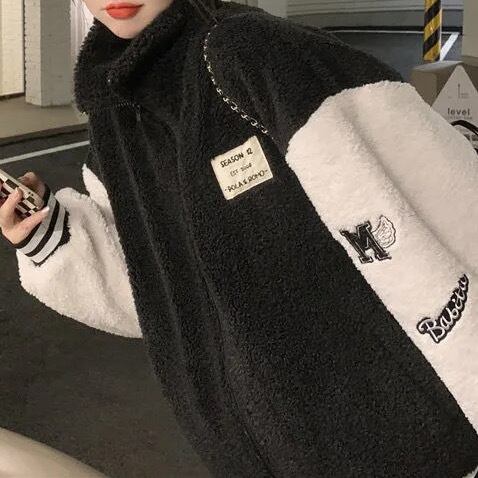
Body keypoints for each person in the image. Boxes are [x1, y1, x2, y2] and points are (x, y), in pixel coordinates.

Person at [1, 0, 477, 476]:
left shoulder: (251, 53)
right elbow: (156, 293)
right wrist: (48, 234)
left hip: (398, 441)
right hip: (253, 452)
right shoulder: (115, 109)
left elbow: (450, 205)